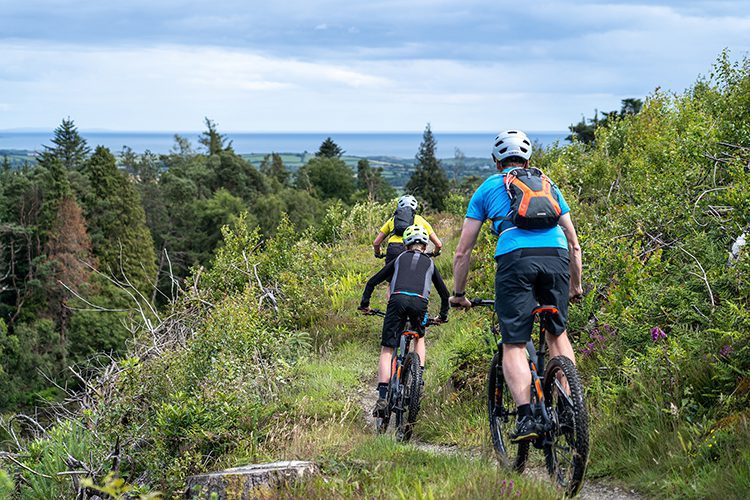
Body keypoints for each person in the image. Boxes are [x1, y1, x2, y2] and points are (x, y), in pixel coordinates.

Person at [449, 130, 583, 442]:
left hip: (515, 261)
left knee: (513, 343)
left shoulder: (487, 188)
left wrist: (458, 294)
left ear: (496, 161)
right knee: (557, 335)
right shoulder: (548, 185)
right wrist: (576, 286)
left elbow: (462, 251)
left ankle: (527, 419)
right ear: (528, 160)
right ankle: (569, 406)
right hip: (557, 257)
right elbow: (575, 245)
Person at [359, 224, 450, 417]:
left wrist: (365, 304)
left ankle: (383, 397)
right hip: (420, 303)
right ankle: (418, 379)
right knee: (419, 337)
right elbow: (444, 293)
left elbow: (373, 281)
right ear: (425, 246)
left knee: (388, 348)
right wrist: (442, 315)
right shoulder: (430, 264)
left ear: (406, 246)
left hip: (397, 300)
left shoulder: (399, 258)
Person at [373, 195, 443, 265]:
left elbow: (376, 243)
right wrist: (435, 252)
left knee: (387, 274)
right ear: (415, 207)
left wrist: (378, 253)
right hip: (412, 249)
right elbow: (438, 244)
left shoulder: (392, 220)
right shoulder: (420, 219)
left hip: (394, 249)